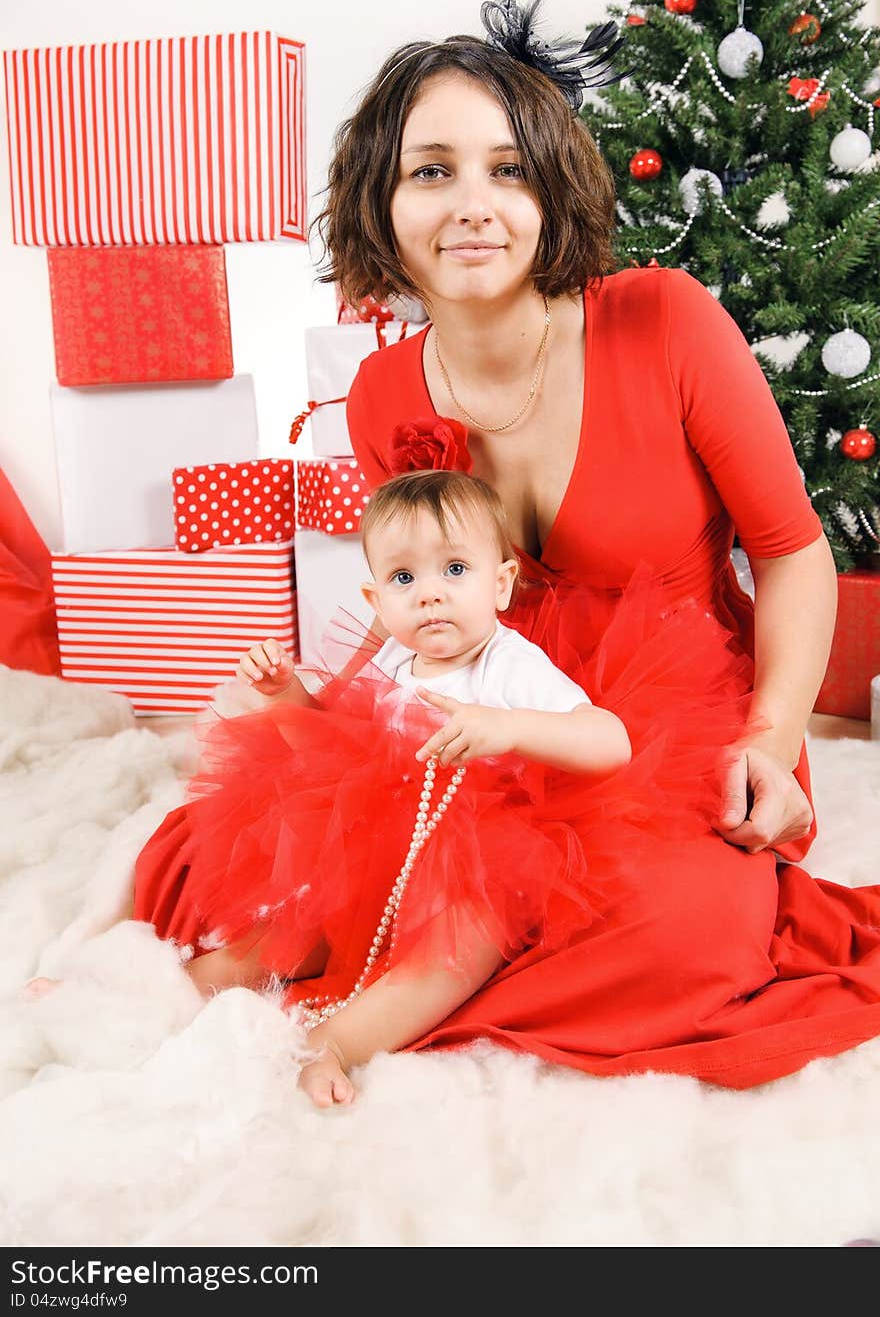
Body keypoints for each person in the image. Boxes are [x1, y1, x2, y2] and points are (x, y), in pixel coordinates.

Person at [318, 0, 880, 1089]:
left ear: (552, 189)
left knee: (678, 942)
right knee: (277, 860)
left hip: (669, 711)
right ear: (380, 205)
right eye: (431, 170)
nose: (471, 203)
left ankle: (438, 1006)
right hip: (493, 687)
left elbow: (788, 549)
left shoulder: (664, 320)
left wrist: (770, 739)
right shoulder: (382, 392)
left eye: (507, 168)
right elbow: (428, 596)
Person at [129, 468, 752, 1108]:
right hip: (374, 848)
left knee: (453, 953)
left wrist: (507, 726)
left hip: (479, 858)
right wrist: (283, 694)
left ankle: (337, 1043)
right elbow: (324, 741)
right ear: (377, 601)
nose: (430, 595)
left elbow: (610, 741)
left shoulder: (507, 665)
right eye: (405, 579)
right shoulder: (392, 659)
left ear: (501, 585)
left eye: (455, 570)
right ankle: (147, 992)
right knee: (283, 934)